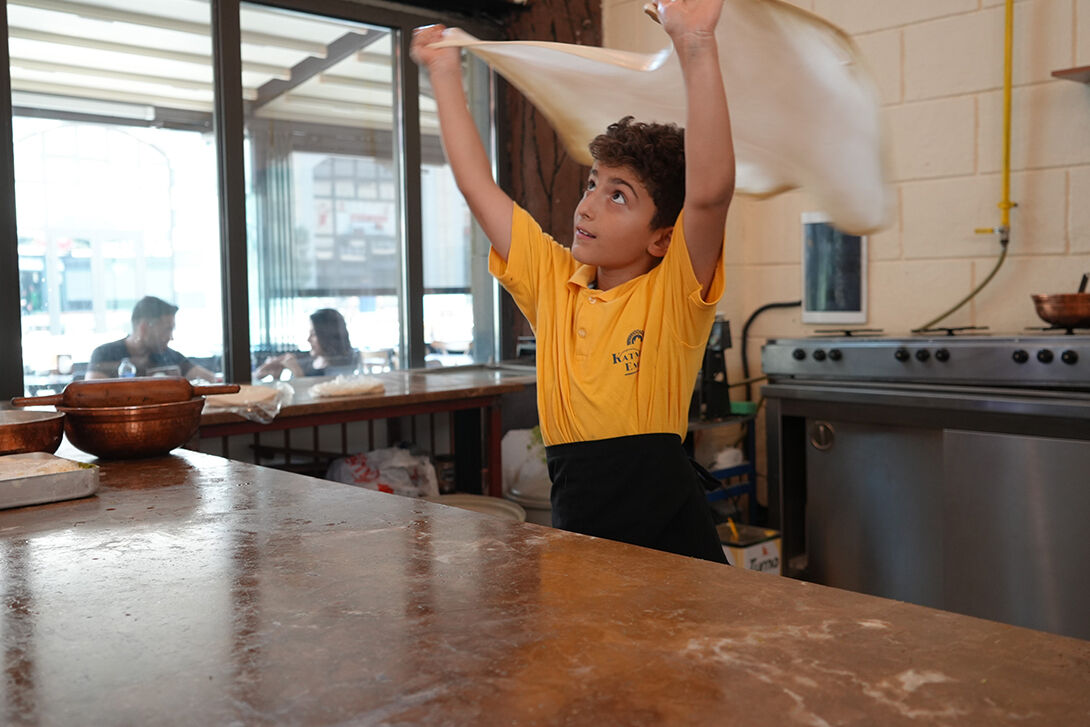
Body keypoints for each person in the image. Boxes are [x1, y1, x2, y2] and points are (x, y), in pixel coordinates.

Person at [410, 0, 735, 563]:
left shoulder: (673, 292)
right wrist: (443, 71)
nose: (587, 206)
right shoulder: (555, 283)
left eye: (618, 197)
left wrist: (696, 43)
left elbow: (709, 193)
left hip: (671, 540)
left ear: (661, 237)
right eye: (592, 183)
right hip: (580, 532)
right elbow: (476, 186)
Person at [86, 296, 216, 381]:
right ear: (144, 328)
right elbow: (90, 395)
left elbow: (211, 380)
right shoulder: (105, 354)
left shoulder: (170, 357)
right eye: (167, 329)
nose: (171, 337)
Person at [255, 308, 357, 379]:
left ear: (326, 336)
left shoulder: (345, 365)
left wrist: (297, 371)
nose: (308, 339)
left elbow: (327, 394)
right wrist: (275, 377)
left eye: (313, 334)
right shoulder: (311, 361)